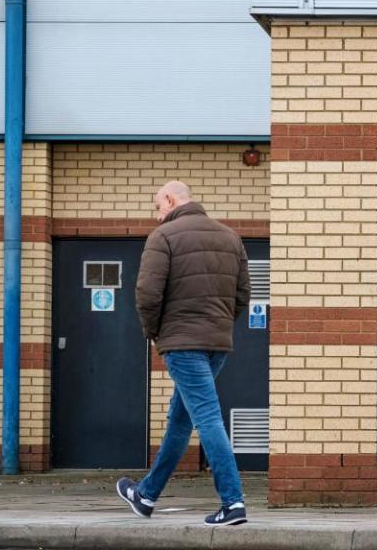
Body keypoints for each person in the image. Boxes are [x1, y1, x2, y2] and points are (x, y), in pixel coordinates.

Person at [116, 181, 251, 526]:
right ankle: (146, 495)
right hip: (216, 344)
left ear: (172, 200)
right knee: (180, 421)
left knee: (207, 418)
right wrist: (219, 325)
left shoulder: (163, 237)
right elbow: (242, 296)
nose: (157, 213)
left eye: (158, 205)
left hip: (181, 343)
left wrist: (155, 333)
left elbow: (147, 294)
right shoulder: (229, 237)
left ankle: (233, 502)